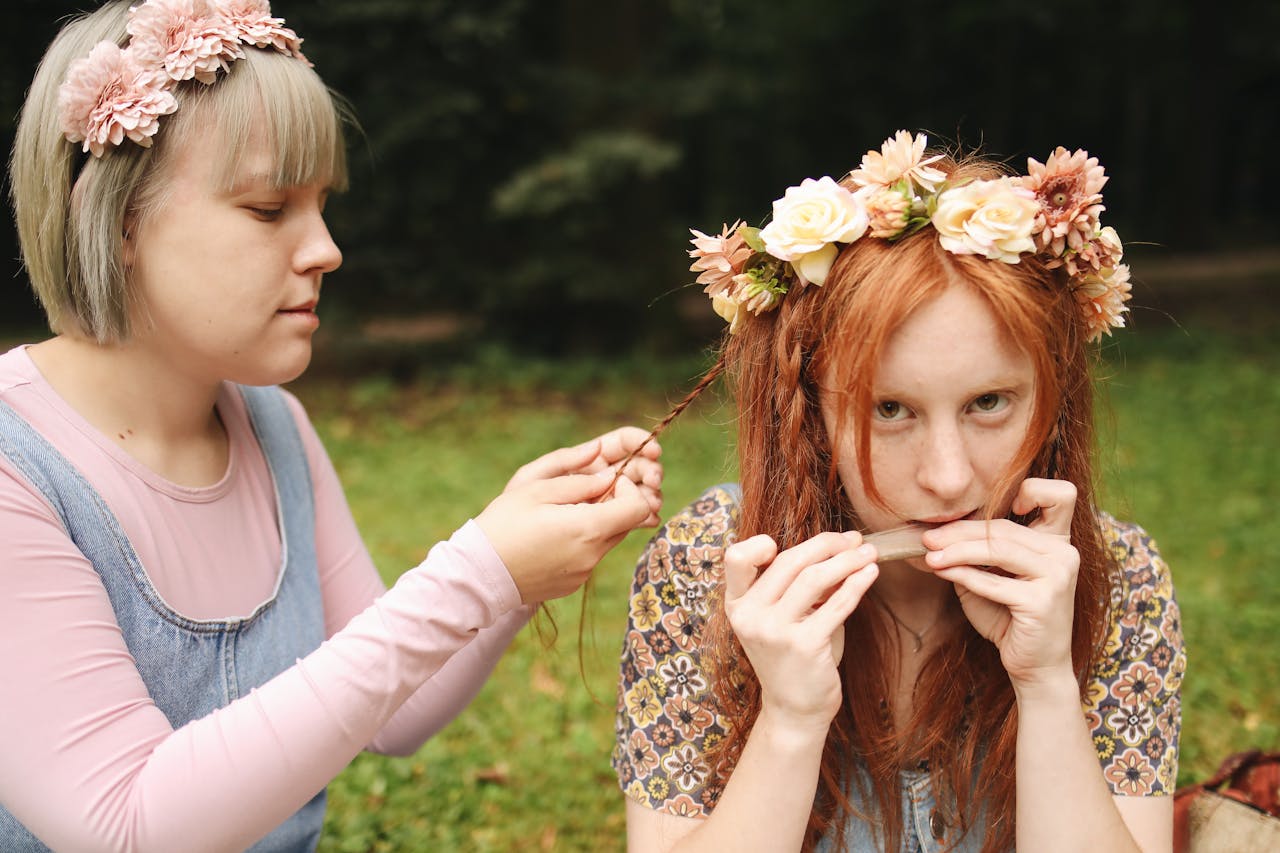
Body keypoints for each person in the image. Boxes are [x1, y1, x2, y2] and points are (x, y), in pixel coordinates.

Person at [0, 1, 664, 850]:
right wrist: (476, 571)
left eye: (322, 206)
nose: (326, 249)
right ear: (120, 220)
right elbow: (127, 825)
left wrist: (517, 562)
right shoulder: (18, 466)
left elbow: (395, 711)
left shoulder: (272, 425)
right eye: (270, 209)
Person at [613, 131, 1185, 852]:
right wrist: (789, 719)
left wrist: (1045, 687)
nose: (947, 476)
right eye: (889, 409)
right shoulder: (707, 569)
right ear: (807, 411)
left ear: (1053, 395)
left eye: (989, 403)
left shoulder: (1118, 579)